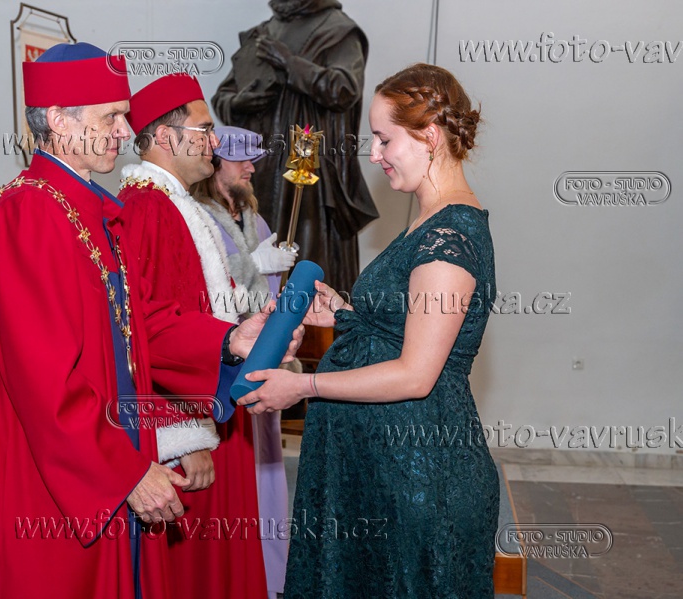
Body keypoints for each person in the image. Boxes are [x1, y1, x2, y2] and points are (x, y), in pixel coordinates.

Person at [0, 44, 300, 599]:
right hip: (52, 487)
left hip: (103, 464)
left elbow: (141, 331)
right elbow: (44, 382)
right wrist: (124, 471)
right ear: (59, 120)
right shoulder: (27, 215)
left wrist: (229, 341)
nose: (126, 131)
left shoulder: (87, 211)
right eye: (111, 117)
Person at [238, 63, 499, 597]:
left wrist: (303, 385)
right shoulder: (428, 220)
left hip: (419, 476)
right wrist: (346, 315)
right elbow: (405, 329)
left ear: (429, 136)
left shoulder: (450, 236)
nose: (374, 155)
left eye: (384, 139)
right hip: (384, 471)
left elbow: (416, 374)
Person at [116, 74, 268, 599]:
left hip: (212, 405)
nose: (215, 141)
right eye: (204, 130)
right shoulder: (146, 207)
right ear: (165, 136)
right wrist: (184, 439)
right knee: (199, 575)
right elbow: (146, 335)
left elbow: (201, 304)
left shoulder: (175, 202)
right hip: (192, 423)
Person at [211, 0, 379, 295]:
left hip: (308, 169)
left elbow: (344, 89)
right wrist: (238, 102)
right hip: (260, 169)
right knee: (261, 247)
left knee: (308, 254)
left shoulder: (338, 30)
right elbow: (223, 95)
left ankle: (312, 322)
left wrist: (289, 62)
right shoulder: (263, 32)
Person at [191, 125, 294, 598]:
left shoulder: (257, 220)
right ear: (215, 165)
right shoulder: (199, 218)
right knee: (234, 474)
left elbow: (269, 293)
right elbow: (203, 284)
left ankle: (270, 572)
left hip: (263, 357)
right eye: (241, 160)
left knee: (267, 463)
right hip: (225, 361)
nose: (251, 167)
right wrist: (256, 265)